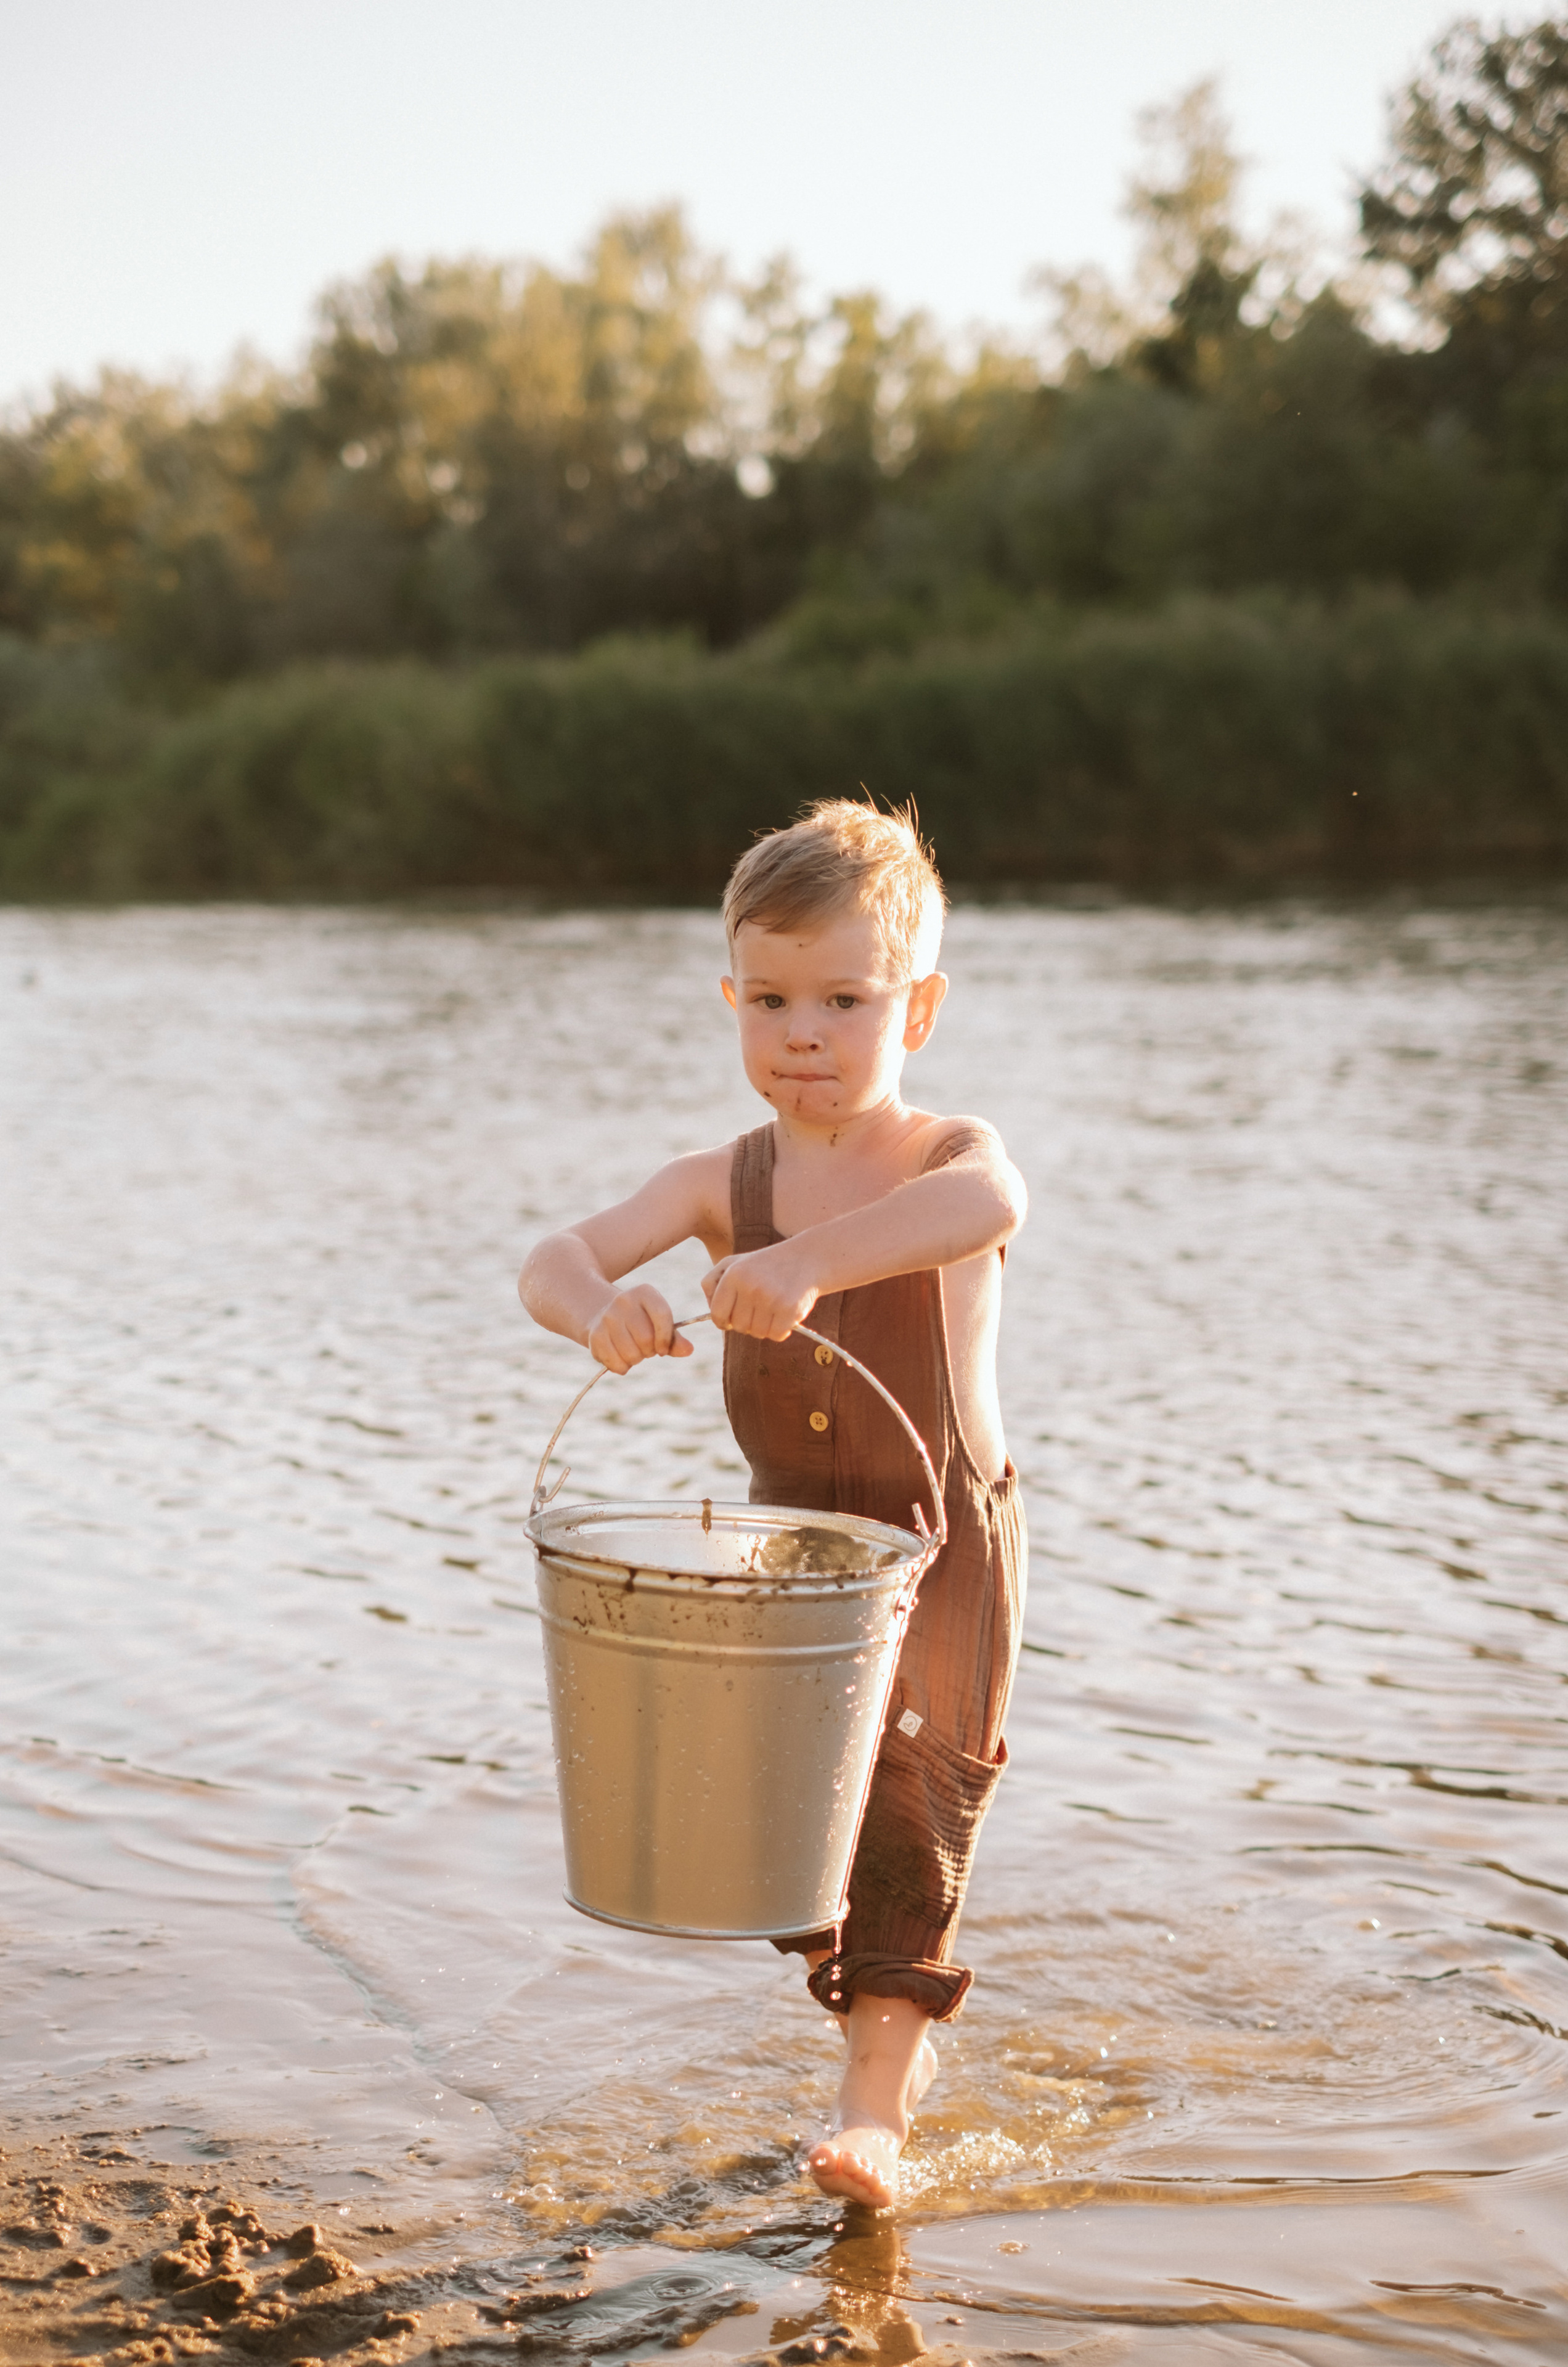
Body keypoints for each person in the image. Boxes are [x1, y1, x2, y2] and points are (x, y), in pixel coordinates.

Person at [518, 798, 1027, 2210]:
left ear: (915, 1007)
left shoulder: (942, 1157)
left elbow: (989, 1206)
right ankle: (881, 2029)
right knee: (796, 1836)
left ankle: (874, 2101)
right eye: (771, 998)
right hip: (793, 1553)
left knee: (914, 1811)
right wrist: (599, 1309)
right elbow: (553, 1256)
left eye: (845, 1000)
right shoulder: (717, 1183)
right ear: (730, 997)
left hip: (944, 1544)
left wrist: (807, 1265)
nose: (803, 1032)